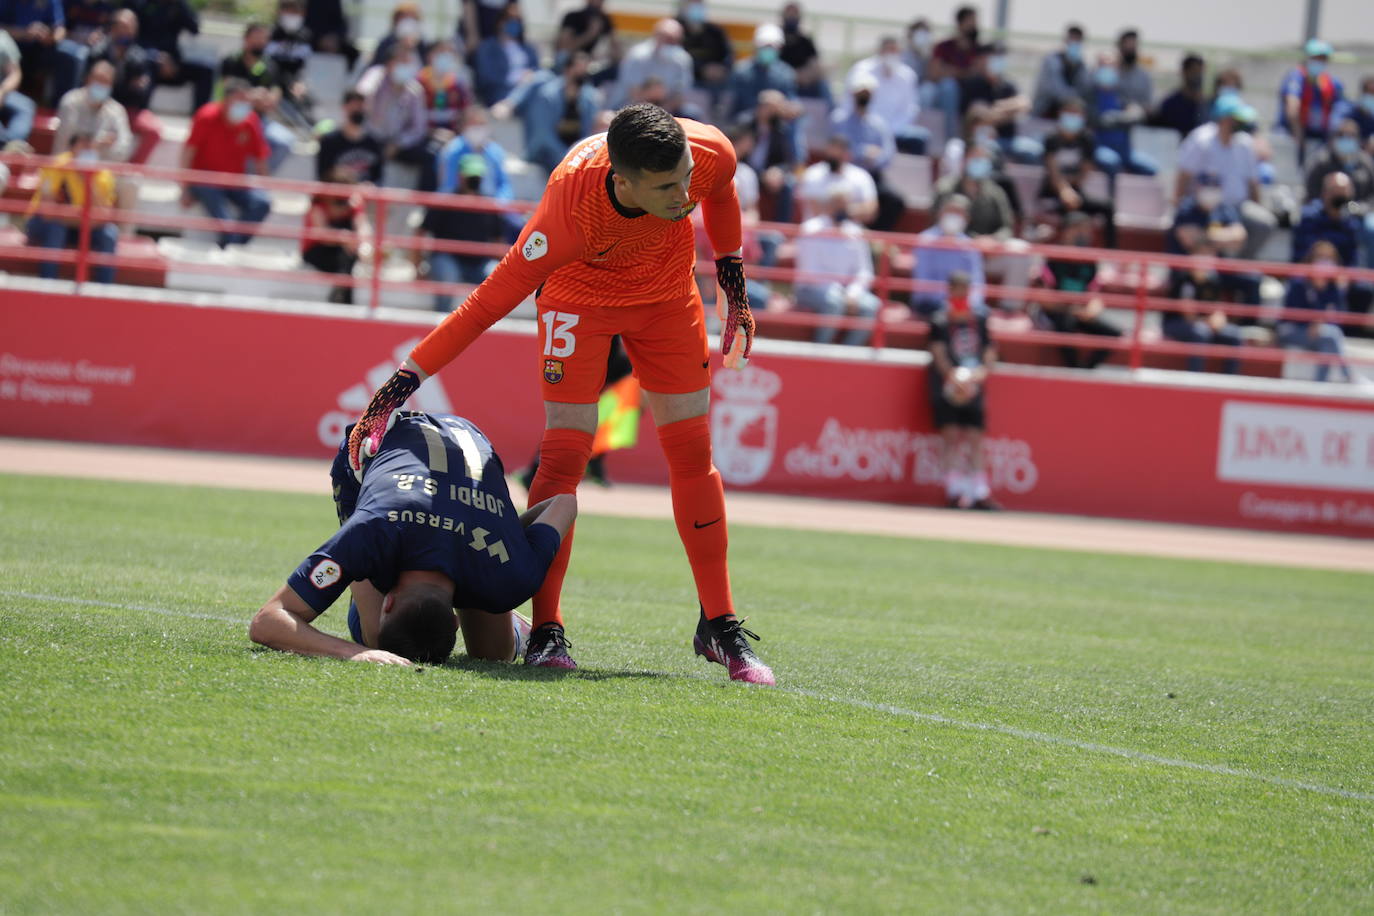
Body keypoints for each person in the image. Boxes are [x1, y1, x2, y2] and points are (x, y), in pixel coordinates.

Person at [343, 103, 774, 684]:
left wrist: (732, 277)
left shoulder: (706, 152)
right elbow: (485, 305)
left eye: (685, 178)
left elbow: (720, 192)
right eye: (668, 186)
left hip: (668, 296)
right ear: (622, 181)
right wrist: (396, 386)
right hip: (579, 299)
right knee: (565, 456)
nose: (684, 195)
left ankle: (718, 624)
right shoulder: (566, 215)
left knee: (694, 454)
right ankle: (547, 630)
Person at [249, 411, 578, 666]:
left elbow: (267, 622)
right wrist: (502, 543)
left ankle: (510, 624)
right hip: (375, 445)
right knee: (384, 636)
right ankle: (371, 589)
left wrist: (354, 653)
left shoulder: (371, 534)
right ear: (454, 623)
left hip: (456, 451)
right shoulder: (370, 535)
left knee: (482, 654)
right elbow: (565, 501)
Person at [926, 271, 997, 510]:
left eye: (965, 289)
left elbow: (989, 350)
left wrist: (980, 374)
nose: (962, 294)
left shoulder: (979, 317)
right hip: (948, 386)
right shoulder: (940, 319)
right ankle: (953, 490)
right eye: (957, 289)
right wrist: (952, 376)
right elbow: (938, 352)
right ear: (950, 290)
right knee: (950, 436)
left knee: (976, 437)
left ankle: (979, 491)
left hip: (973, 385)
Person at [1176, 94, 1274, 261]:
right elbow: (1184, 176)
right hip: (1204, 209)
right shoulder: (1201, 140)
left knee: (1264, 223)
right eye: (1236, 118)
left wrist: (1257, 204)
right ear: (1224, 119)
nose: (1241, 123)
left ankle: (1238, 268)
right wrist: (1179, 205)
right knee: (1196, 233)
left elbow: (1253, 183)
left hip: (1237, 207)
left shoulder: (1245, 143)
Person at [180, 78, 272, 248]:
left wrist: (265, 187)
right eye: (238, 100)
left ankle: (234, 244)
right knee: (223, 217)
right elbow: (188, 153)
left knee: (262, 202)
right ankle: (232, 243)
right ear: (225, 100)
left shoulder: (250, 120)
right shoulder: (206, 116)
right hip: (205, 180)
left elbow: (260, 158)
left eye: (246, 101)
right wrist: (184, 188)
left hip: (235, 182)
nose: (243, 105)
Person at [24, 131, 119, 283]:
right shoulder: (55, 166)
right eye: (84, 145)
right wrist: (84, 217)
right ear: (72, 148)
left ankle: (105, 289)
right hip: (44, 224)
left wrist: (88, 180)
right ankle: (48, 285)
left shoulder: (103, 175)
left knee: (109, 234)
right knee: (56, 229)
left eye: (91, 146)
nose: (88, 150)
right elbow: (48, 213)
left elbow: (104, 217)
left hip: (80, 225)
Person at [791, 188, 881, 346]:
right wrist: (841, 293)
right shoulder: (811, 229)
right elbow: (809, 272)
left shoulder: (856, 232)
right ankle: (820, 351)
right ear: (828, 206)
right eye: (838, 204)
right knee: (834, 303)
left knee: (872, 306)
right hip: (810, 290)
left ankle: (847, 353)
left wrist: (853, 293)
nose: (842, 209)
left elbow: (864, 271)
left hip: (846, 292)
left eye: (845, 205)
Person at [418, 153, 505, 311]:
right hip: (447, 259)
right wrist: (417, 267)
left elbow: (498, 241)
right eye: (471, 175)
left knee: (497, 278)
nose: (474, 180)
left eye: (477, 176)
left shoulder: (489, 205)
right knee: (447, 275)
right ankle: (442, 324)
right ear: (460, 176)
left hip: (479, 263)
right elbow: (421, 232)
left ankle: (487, 327)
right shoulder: (445, 201)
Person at [492, 49, 600, 174]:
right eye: (579, 68)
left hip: (573, 155)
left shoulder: (589, 99)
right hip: (546, 155)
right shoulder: (548, 95)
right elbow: (544, 136)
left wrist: (578, 156)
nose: (584, 72)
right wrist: (567, 157)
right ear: (567, 70)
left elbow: (587, 133)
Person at [1037, 213, 1121, 369]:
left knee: (1114, 333)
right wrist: (1069, 308)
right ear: (1066, 231)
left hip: (1078, 312)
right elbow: (1044, 299)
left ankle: (1086, 370)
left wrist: (1092, 310)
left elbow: (1095, 296)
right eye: (1079, 230)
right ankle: (1074, 369)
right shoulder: (1052, 257)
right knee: (1065, 323)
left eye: (1087, 231)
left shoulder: (1090, 261)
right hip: (1054, 314)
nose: (1084, 235)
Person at [1291, 171, 1373, 325]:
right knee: (1298, 285)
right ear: (1325, 193)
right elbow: (1301, 252)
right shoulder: (1309, 216)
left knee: (1363, 289)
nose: (1339, 197)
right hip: (1311, 272)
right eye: (1335, 192)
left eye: (1344, 193)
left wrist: (1345, 274)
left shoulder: (1351, 221)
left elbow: (1353, 256)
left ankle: (1348, 334)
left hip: (1339, 275)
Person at [219, 22, 300, 174]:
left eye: (264, 39)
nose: (260, 42)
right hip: (234, 117)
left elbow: (275, 93)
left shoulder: (269, 65)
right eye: (256, 37)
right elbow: (229, 91)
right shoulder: (231, 61)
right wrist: (253, 96)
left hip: (259, 119)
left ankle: (256, 181)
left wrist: (265, 99)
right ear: (246, 38)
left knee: (285, 142)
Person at [1038, 96, 1116, 248]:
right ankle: (1061, 257)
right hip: (1053, 194)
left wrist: (1072, 189)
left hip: (1077, 192)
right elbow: (1053, 172)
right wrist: (1065, 191)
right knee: (1072, 214)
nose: (1073, 118)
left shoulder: (1087, 139)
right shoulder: (1051, 139)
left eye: (1077, 114)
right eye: (1070, 113)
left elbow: (1085, 171)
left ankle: (1111, 252)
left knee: (1108, 206)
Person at [356, 42, 433, 188]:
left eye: (409, 62)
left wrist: (398, 144)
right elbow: (362, 94)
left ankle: (426, 204)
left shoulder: (415, 90)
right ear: (390, 63)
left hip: (398, 143)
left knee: (429, 155)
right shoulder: (376, 75)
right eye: (402, 61)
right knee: (364, 150)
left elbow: (418, 128)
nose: (407, 66)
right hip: (371, 138)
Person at [89, 9, 160, 164]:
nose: (126, 32)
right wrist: (127, 87)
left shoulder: (140, 57)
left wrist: (122, 89)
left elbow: (142, 95)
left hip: (128, 109)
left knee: (153, 130)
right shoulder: (98, 53)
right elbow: (93, 89)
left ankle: (131, 169)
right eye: (122, 27)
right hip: (99, 107)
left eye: (130, 27)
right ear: (113, 28)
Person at [1278, 240, 1354, 382]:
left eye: (1329, 258)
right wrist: (1311, 322)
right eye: (1320, 257)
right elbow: (1290, 314)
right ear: (1311, 259)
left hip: (1321, 333)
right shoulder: (1298, 282)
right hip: (1293, 330)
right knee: (1331, 337)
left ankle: (1320, 385)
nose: (1324, 262)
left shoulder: (1334, 287)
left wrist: (1339, 291)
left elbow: (1338, 320)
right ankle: (1348, 377)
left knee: (1329, 340)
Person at [1164, 245, 1244, 374]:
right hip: (1176, 323)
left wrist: (1219, 320)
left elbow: (1218, 307)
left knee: (1234, 334)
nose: (1205, 261)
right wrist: (1208, 322)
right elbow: (1188, 316)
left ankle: (1230, 379)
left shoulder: (1213, 280)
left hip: (1205, 323)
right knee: (1201, 333)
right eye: (1201, 256)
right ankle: (1195, 376)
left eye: (1208, 256)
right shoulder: (1183, 279)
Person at [127, 0, 216, 114]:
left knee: (206, 70)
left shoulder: (177, 5)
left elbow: (195, 29)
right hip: (147, 61)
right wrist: (156, 56)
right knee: (146, 67)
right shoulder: (143, 5)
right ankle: (141, 115)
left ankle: (200, 118)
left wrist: (180, 4)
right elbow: (136, 39)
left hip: (173, 66)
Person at [957, 41, 1038, 164]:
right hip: (982, 141)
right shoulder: (972, 84)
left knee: (1034, 151)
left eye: (1001, 57)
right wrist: (1009, 112)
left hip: (1009, 140)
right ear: (982, 59)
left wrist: (995, 110)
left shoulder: (1007, 85)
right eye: (994, 56)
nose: (998, 60)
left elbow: (1025, 104)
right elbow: (977, 117)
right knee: (991, 152)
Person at [845, 36, 927, 154]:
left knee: (919, 138)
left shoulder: (908, 75)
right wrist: (874, 128)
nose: (891, 54)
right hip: (865, 128)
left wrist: (890, 130)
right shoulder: (862, 70)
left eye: (894, 51)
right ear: (880, 51)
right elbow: (852, 103)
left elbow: (910, 110)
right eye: (888, 50)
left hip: (896, 130)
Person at [912, 194, 985, 317]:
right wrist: (950, 302)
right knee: (944, 317)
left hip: (963, 303)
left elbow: (977, 283)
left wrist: (967, 303)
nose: (954, 216)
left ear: (966, 218)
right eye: (951, 211)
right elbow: (922, 285)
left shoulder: (970, 246)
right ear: (940, 213)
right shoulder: (925, 241)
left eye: (959, 212)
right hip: (930, 303)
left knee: (982, 314)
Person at [1086, 51, 1156, 178]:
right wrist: (1117, 120)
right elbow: (1094, 119)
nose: (1107, 70)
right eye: (1103, 67)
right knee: (1112, 162)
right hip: (1100, 149)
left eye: (1111, 67)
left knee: (1151, 168)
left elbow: (1136, 114)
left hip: (1125, 152)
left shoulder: (1121, 95)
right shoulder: (1089, 96)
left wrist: (1114, 119)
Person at [302, 174, 369, 304]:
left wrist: (363, 245)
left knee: (347, 258)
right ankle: (345, 302)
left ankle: (342, 298)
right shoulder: (318, 206)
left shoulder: (352, 205)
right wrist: (343, 238)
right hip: (317, 252)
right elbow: (322, 235)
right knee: (346, 259)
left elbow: (362, 227)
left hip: (345, 255)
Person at [1278, 38, 1345, 164]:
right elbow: (1292, 107)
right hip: (1293, 135)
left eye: (1322, 59)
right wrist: (1299, 136)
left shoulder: (1330, 83)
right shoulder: (1296, 78)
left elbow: (1339, 110)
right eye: (1316, 58)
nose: (1319, 62)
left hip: (1319, 139)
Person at [53, 60, 131, 161]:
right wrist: (99, 142)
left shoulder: (117, 111)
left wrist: (94, 146)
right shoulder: (71, 101)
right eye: (98, 80)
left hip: (101, 170)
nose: (101, 85)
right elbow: (66, 140)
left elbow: (124, 148)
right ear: (88, 79)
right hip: (67, 168)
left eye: (105, 82)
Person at [926, 5, 981, 140]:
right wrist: (963, 72)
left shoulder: (978, 50)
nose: (974, 25)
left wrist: (951, 70)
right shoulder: (944, 46)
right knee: (945, 87)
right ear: (960, 22)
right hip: (944, 93)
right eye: (970, 20)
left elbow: (977, 73)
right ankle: (946, 138)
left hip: (969, 96)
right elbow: (934, 73)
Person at [796, 132, 874, 225]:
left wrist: (845, 209)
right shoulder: (813, 174)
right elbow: (814, 208)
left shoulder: (861, 176)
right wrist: (839, 207)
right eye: (831, 153)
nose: (834, 156)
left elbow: (871, 210)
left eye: (838, 154)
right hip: (817, 230)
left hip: (849, 232)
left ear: (847, 154)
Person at [617, 18, 693, 113]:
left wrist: (664, 111)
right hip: (635, 105)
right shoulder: (638, 56)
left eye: (675, 40)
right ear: (656, 35)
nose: (671, 43)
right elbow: (633, 91)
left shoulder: (683, 59)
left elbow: (682, 93)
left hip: (668, 108)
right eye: (668, 38)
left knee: (691, 113)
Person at [472, 2, 537, 107]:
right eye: (510, 18)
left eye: (517, 20)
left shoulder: (528, 48)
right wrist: (517, 79)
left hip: (528, 90)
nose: (514, 22)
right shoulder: (487, 47)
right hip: (500, 92)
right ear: (500, 22)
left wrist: (528, 78)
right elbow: (485, 77)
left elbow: (536, 70)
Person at [725, 23, 794, 121]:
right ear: (756, 46)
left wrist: (782, 104)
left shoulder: (786, 73)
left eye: (772, 47)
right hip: (747, 127)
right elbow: (733, 107)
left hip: (777, 128)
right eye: (765, 46)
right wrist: (763, 103)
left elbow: (791, 100)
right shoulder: (741, 71)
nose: (768, 50)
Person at [315, 88, 383, 183]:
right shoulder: (329, 141)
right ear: (344, 107)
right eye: (355, 106)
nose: (359, 110)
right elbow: (322, 177)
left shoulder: (374, 143)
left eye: (362, 106)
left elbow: (378, 178)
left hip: (364, 196)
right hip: (339, 195)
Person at [1304, 117, 1374, 204]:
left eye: (1351, 135)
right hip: (1324, 214)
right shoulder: (1320, 161)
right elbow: (1311, 192)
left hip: (1359, 214)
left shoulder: (1366, 163)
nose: (1346, 139)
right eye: (1341, 135)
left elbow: (1371, 196)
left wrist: (1359, 209)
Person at [678, 0, 732, 105]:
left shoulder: (716, 32)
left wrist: (721, 69)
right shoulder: (677, 31)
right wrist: (702, 69)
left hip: (715, 83)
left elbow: (728, 56)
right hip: (688, 81)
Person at [1032, 23, 1089, 119]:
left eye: (1077, 40)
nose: (1074, 43)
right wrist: (1073, 99)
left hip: (1068, 116)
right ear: (1066, 40)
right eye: (1072, 39)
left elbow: (1084, 88)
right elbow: (1054, 88)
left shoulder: (1081, 65)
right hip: (1046, 111)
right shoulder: (1051, 60)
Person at [1152, 53, 1207, 137]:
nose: (1197, 76)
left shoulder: (1206, 106)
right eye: (1194, 71)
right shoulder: (1170, 105)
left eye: (1200, 72)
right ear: (1184, 72)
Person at [0, 20, 35, 145]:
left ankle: (13, 144)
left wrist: (3, 90)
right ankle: (3, 145)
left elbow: (15, 73)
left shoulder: (3, 39)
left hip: (3, 93)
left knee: (25, 106)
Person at [1113, 29, 1152, 111]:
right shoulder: (1109, 72)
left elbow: (1148, 103)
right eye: (1127, 44)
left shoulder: (1144, 76)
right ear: (1119, 46)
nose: (1131, 48)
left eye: (1134, 44)